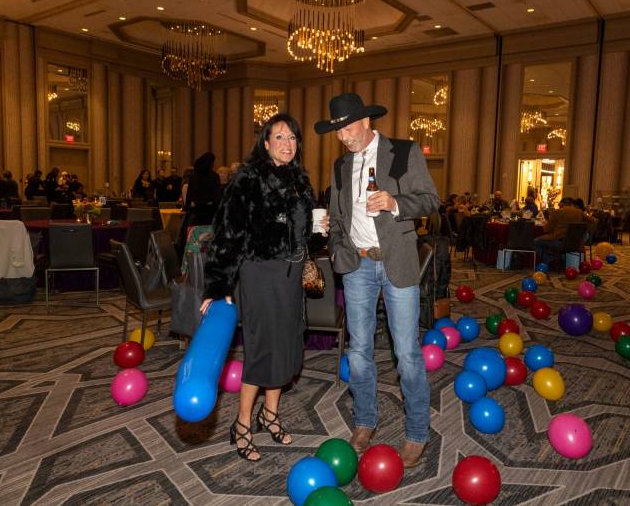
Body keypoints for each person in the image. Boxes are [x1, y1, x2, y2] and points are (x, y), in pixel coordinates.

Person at [317, 92, 439, 467]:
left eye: (347, 128)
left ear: (366, 121)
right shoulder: (341, 166)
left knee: (407, 353)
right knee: (359, 353)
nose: (342, 137)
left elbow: (430, 200)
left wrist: (394, 202)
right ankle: (364, 421)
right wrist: (336, 246)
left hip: (397, 262)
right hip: (358, 266)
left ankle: (417, 432)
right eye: (337, 131)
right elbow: (338, 217)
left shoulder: (403, 152)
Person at [200, 113, 319, 462]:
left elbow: (301, 235)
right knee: (262, 348)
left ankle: (270, 414)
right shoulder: (248, 179)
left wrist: (316, 230)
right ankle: (241, 424)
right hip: (260, 275)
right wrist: (218, 283)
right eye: (279, 137)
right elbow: (228, 233)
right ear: (265, 143)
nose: (287, 144)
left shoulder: (300, 180)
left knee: (285, 345)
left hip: (290, 277)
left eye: (292, 138)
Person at [533, 197, 595, 266]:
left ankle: (550, 261)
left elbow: (547, 229)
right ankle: (558, 261)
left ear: (562, 204)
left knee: (536, 241)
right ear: (571, 204)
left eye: (559, 204)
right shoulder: (579, 212)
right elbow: (592, 221)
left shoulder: (557, 212)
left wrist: (546, 223)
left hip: (560, 243)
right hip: (576, 244)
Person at [184, 153, 222, 226]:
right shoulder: (214, 176)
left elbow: (189, 193)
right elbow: (217, 195)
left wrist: (187, 207)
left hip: (196, 210)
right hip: (209, 211)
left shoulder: (193, 176)